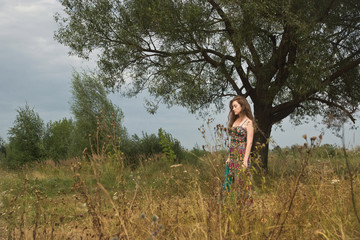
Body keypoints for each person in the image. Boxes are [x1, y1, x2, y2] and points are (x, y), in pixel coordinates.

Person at [224, 96, 254, 199]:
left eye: (235, 106)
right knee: (229, 182)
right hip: (233, 156)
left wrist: (245, 161)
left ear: (242, 106)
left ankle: (244, 207)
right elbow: (232, 141)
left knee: (242, 183)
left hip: (242, 156)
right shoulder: (235, 121)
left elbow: (249, 142)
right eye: (232, 107)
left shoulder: (248, 122)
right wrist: (229, 157)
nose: (233, 109)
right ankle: (229, 204)